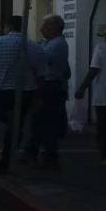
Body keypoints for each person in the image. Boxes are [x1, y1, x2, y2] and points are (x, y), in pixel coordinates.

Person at [0, 15, 43, 173]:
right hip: (26, 91)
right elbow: (40, 73)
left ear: (8, 26)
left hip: (2, 90)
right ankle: (13, 137)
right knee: (16, 121)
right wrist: (38, 94)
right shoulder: (33, 46)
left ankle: (7, 156)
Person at [74, 23, 106, 165]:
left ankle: (105, 154)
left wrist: (82, 88)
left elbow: (94, 70)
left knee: (104, 126)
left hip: (104, 94)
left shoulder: (101, 48)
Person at [23, 14, 71, 168]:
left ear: (54, 27)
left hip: (51, 87)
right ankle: (35, 152)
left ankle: (47, 155)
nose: (41, 29)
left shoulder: (57, 44)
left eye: (45, 26)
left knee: (46, 121)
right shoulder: (48, 43)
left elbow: (40, 59)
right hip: (49, 85)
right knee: (39, 121)